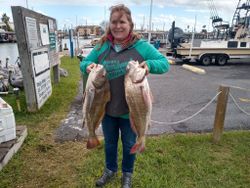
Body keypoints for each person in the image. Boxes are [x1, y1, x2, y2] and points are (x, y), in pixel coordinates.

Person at [80, 4, 169, 188]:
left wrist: (149, 65)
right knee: (110, 145)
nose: (117, 26)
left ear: (130, 24)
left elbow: (164, 63)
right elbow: (86, 61)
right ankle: (110, 170)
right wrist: (87, 66)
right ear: (109, 24)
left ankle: (127, 174)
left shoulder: (141, 46)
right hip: (108, 110)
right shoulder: (103, 45)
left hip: (131, 113)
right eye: (114, 22)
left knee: (130, 145)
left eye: (122, 21)